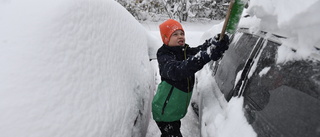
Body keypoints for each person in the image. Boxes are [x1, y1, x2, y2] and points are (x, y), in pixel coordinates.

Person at [151, 19, 230, 137]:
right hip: (165, 111)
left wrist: (212, 43)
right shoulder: (164, 55)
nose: (180, 36)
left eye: (182, 33)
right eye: (175, 34)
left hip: (173, 110)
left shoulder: (184, 50)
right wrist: (205, 56)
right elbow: (177, 70)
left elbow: (198, 50)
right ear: (166, 38)